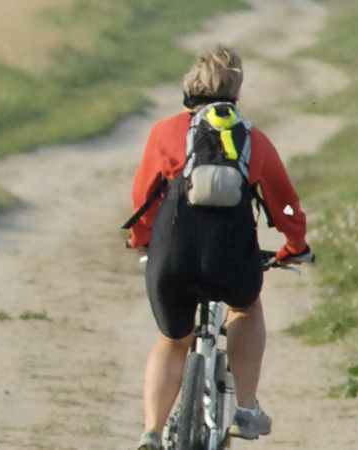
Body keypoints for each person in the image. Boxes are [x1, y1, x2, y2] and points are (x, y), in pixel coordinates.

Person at [123, 45, 312, 449]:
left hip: (172, 256)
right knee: (245, 306)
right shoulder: (251, 138)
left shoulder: (166, 133)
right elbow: (284, 203)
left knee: (173, 339)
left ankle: (151, 432)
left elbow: (143, 199)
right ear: (236, 92)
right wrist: (294, 245)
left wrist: (140, 239)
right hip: (231, 258)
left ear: (190, 87)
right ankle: (245, 408)